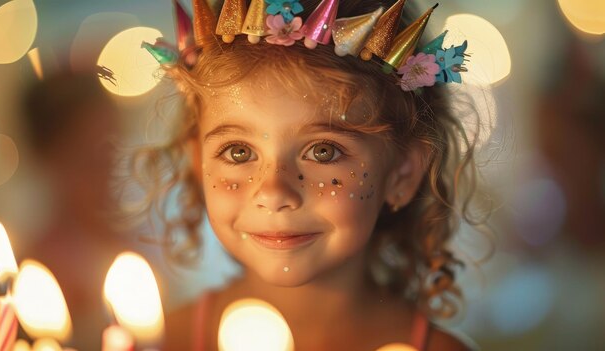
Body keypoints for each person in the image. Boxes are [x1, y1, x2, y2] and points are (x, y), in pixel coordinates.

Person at [135, 0, 487, 349]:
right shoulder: (167, 342)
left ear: (401, 174)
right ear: (199, 164)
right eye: (238, 152)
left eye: (323, 152)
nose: (273, 192)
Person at [19, 70, 135, 350]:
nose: (110, 174)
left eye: (115, 151)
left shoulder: (136, 234)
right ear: (51, 161)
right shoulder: (43, 275)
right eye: (90, 160)